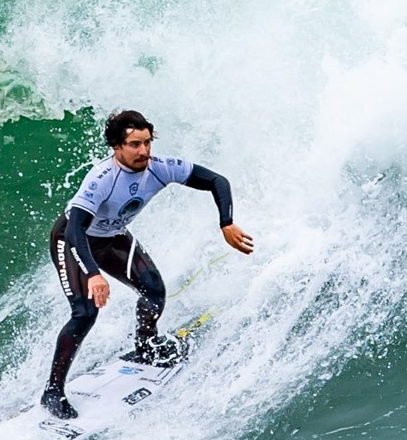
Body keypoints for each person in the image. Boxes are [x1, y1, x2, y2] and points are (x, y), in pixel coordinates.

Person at [43, 109, 253, 420]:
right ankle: (53, 392)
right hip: (73, 239)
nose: (144, 151)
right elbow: (75, 229)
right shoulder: (101, 179)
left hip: (113, 237)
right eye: (135, 145)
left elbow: (216, 181)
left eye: (147, 143)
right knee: (85, 313)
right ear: (117, 146)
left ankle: (145, 344)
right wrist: (92, 274)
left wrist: (227, 223)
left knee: (154, 290)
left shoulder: (160, 168)